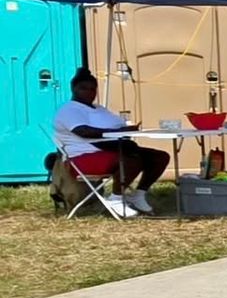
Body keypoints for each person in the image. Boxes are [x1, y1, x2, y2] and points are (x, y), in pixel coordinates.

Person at [51, 69, 168, 216]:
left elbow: (115, 126)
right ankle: (115, 198)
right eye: (83, 88)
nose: (89, 92)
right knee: (132, 158)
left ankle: (138, 195)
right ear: (74, 89)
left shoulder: (99, 109)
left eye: (93, 89)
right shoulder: (69, 110)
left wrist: (127, 129)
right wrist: (117, 133)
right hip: (84, 156)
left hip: (111, 149)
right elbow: (83, 131)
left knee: (160, 157)